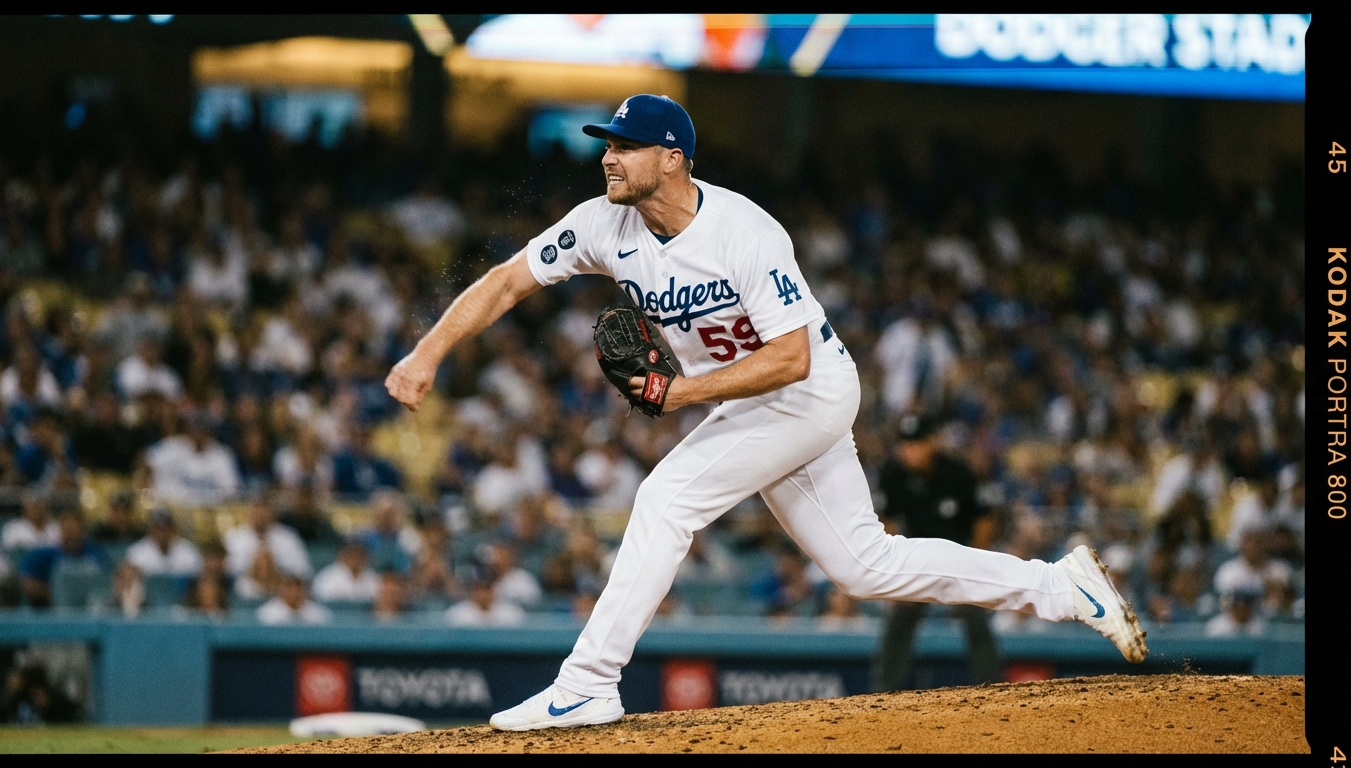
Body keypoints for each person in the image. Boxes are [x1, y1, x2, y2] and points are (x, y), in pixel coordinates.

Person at [384, 94, 1147, 732]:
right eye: (606, 145)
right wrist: (426, 354)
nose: (608, 156)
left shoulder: (743, 231)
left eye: (626, 145)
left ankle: (589, 683)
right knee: (865, 565)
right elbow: (506, 281)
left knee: (665, 499)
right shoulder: (601, 224)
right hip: (756, 402)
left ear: (673, 157)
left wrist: (678, 395)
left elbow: (792, 359)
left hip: (807, 392)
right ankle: (1061, 586)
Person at [873, 413, 1001, 691]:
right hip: (916, 563)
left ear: (932, 443)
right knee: (899, 618)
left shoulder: (957, 472)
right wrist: (898, 570)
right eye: (906, 444)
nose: (910, 450)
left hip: (958, 563)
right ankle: (883, 693)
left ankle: (992, 688)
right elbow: (887, 523)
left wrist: (976, 563)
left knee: (976, 615)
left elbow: (984, 519)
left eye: (916, 443)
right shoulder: (893, 475)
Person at [125, 508, 203, 578]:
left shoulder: (189, 551)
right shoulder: (136, 553)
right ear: (150, 529)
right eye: (158, 528)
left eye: (165, 528)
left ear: (173, 528)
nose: (162, 533)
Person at [257, 574, 333, 625]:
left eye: (298, 587)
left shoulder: (318, 613)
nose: (294, 592)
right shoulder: (267, 612)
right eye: (290, 587)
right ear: (282, 589)